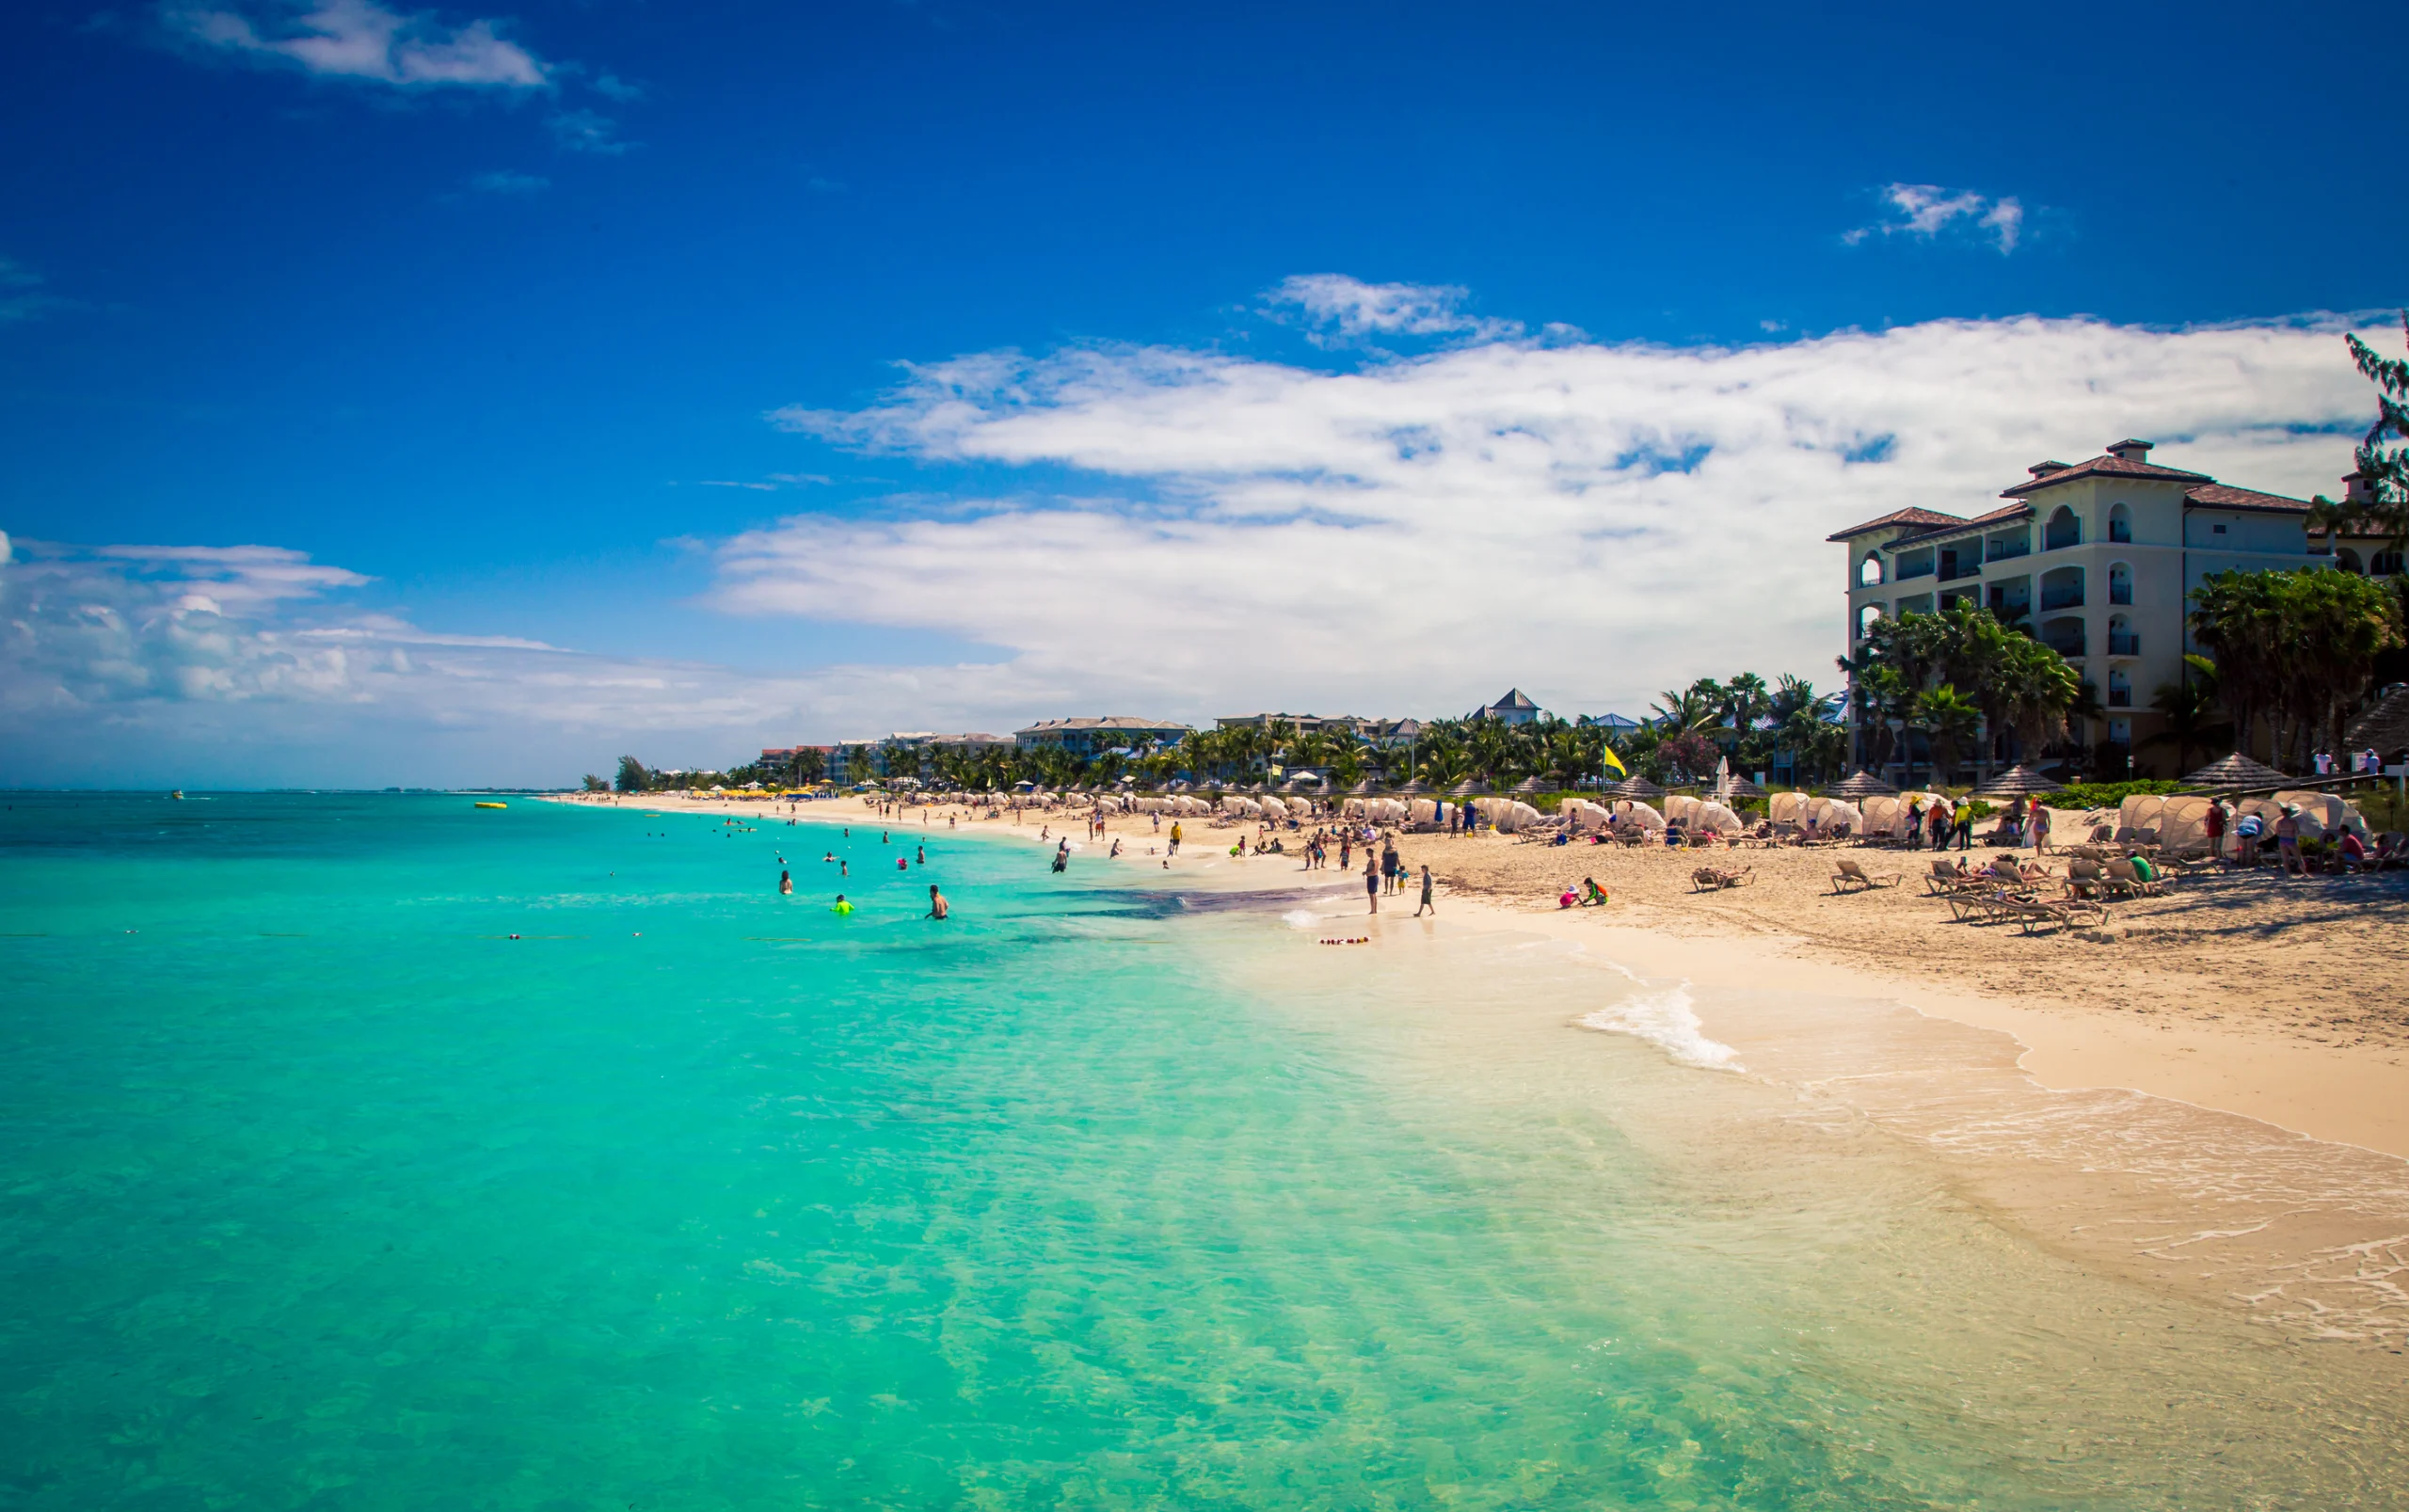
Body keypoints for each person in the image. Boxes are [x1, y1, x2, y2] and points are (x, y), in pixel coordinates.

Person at [2274, 804, 2304, 874]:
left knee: (2285, 859)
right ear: (2290, 813)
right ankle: (2305, 873)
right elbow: (2297, 831)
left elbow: (2277, 833)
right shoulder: (2293, 822)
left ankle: (2287, 874)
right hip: (2291, 839)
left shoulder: (2279, 822)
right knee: (2299, 858)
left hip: (2282, 839)